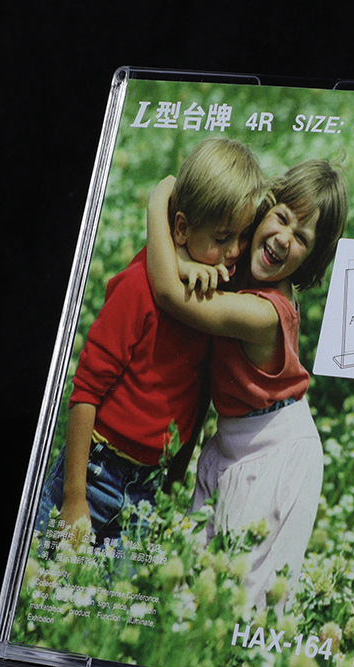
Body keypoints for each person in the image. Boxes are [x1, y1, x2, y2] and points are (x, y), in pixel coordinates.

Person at [36, 138, 266, 546]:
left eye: (243, 235)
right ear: (180, 228)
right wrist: (73, 498)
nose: (234, 251)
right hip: (96, 473)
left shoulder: (218, 299)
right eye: (222, 237)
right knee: (50, 573)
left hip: (148, 489)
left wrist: (172, 488)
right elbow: (85, 391)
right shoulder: (138, 286)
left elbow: (197, 400)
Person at [146, 160, 348, 608]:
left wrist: (158, 199)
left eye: (302, 239)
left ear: (311, 258)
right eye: (282, 218)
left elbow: (169, 293)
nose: (283, 238)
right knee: (187, 589)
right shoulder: (240, 268)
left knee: (239, 603)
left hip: (277, 455)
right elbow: (186, 202)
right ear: (265, 208)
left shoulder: (265, 314)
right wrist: (184, 256)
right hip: (231, 442)